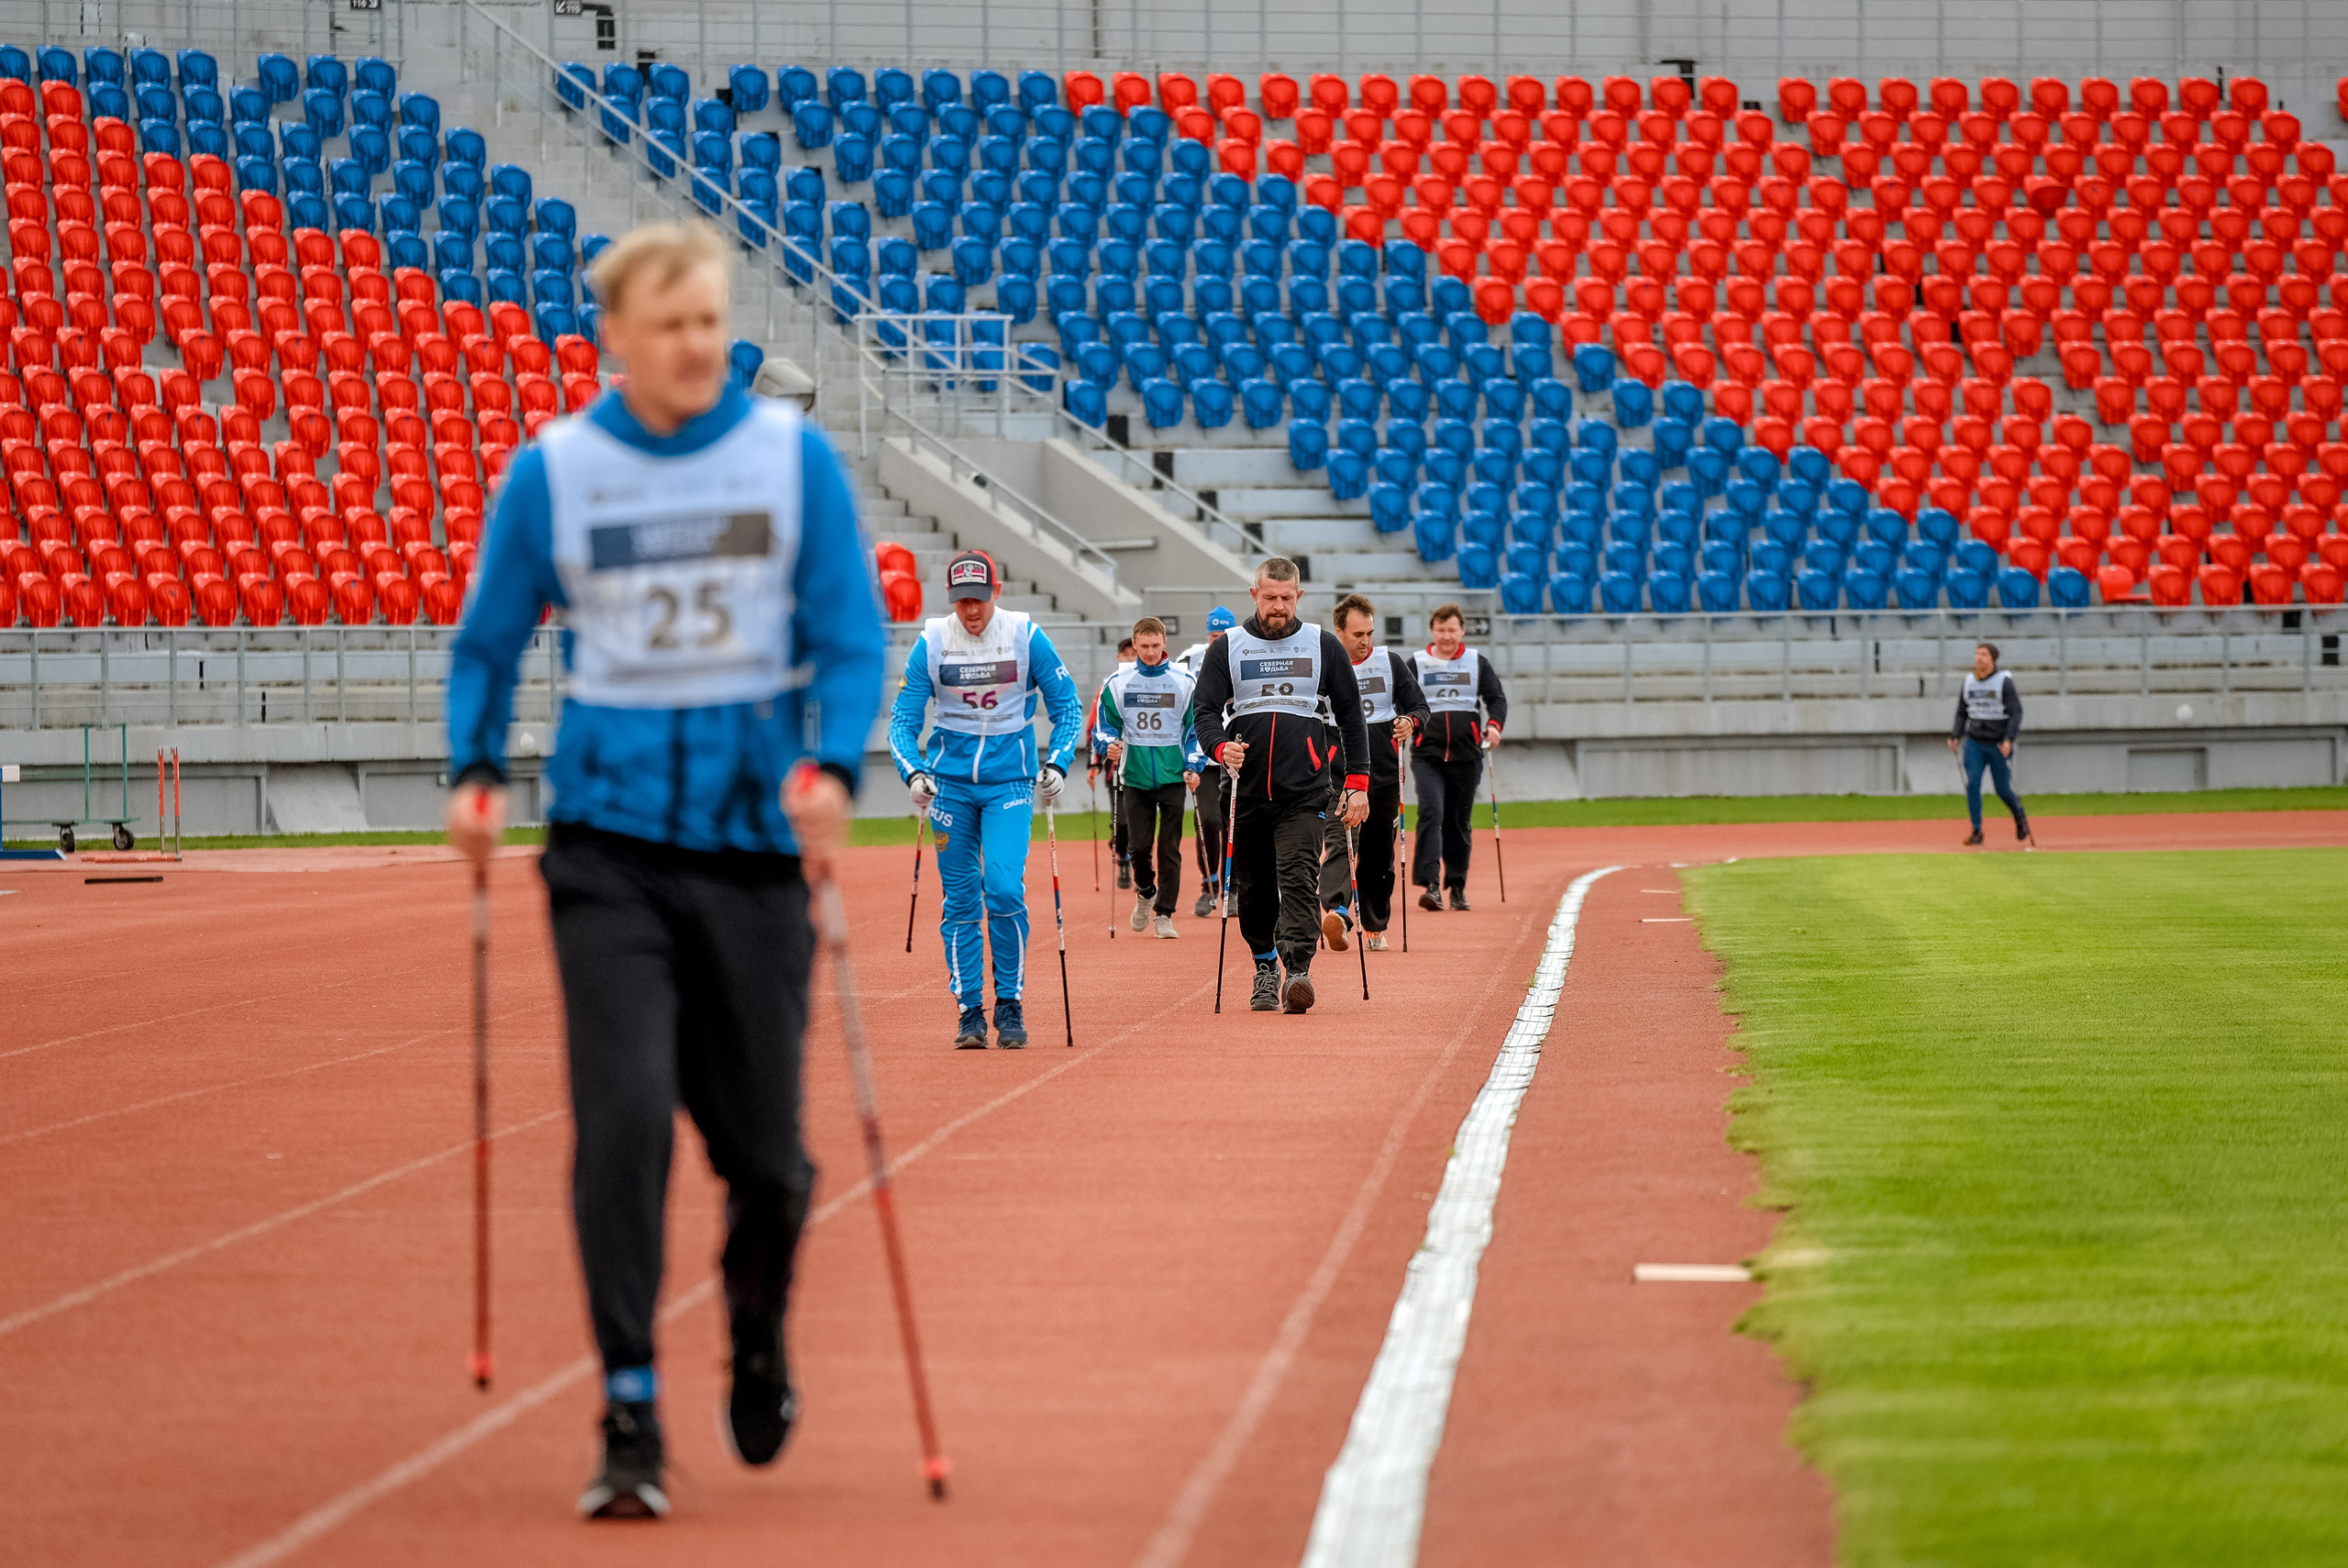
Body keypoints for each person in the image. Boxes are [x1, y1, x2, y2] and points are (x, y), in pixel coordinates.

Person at [442, 222, 886, 1520]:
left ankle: (755, 1331)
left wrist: (832, 770)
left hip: (751, 853)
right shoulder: (558, 472)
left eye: (710, 321)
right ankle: (628, 1405)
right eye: (671, 324)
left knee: (771, 1162)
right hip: (608, 854)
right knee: (624, 1120)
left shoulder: (789, 461)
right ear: (615, 339)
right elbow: (488, 636)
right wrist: (474, 769)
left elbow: (848, 635)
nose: (697, 344)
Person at [888, 549, 1084, 1048]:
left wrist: (1059, 762)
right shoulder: (933, 640)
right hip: (949, 785)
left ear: (995, 593)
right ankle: (969, 1009)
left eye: (978, 599)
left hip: (1010, 782)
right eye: (960, 601)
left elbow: (1067, 706)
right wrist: (913, 772)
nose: (970, 611)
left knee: (1001, 887)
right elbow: (903, 720)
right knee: (959, 900)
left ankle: (1010, 1002)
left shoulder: (1024, 634)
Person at [1192, 561, 1368, 1012]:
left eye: (1286, 598)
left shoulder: (1323, 645)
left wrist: (1358, 783)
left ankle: (1298, 971)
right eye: (1270, 597)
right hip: (1244, 791)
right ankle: (1265, 965)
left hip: (1304, 791)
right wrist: (1218, 748)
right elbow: (1206, 713)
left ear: (1299, 596)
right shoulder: (1228, 647)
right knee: (1253, 890)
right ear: (1254, 595)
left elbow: (1351, 717)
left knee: (1297, 879)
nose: (1278, 607)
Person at [1319, 593, 1428, 951]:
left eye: (1369, 633)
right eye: (1357, 634)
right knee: (1341, 841)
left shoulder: (1390, 662)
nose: (1365, 641)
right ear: (1339, 632)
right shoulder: (1324, 665)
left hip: (1382, 771)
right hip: (1339, 772)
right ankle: (1336, 912)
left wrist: (1410, 722)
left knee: (1379, 851)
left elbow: (1419, 706)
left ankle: (1374, 924)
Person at [1097, 616, 1204, 937]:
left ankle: (1164, 914)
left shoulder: (1184, 681)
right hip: (1135, 777)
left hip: (1173, 776)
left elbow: (1195, 728)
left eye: (1156, 645)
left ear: (1164, 644)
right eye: (1143, 646)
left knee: (1169, 848)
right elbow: (1105, 726)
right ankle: (1146, 891)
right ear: (1134, 645)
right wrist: (1109, 745)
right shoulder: (1118, 681)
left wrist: (1193, 763)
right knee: (1139, 847)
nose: (1150, 652)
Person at [1409, 602, 1509, 911]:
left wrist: (1494, 726)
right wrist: (1405, 723)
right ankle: (1430, 886)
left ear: (1462, 631)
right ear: (1432, 631)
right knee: (1431, 813)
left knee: (1458, 821)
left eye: (1452, 629)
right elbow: (1402, 699)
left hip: (1467, 757)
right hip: (1428, 755)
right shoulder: (1417, 663)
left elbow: (1496, 699)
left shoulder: (1476, 662)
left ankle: (1458, 885)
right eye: (1441, 630)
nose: (1447, 636)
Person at [1175, 604, 1235, 916]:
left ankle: (1235, 885)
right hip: (1204, 753)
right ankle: (1209, 884)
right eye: (1214, 635)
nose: (1218, 641)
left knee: (1236, 821)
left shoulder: (1244, 651)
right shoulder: (1189, 659)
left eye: (1224, 635)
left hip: (1237, 750)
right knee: (1210, 819)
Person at [1949, 641, 2032, 846]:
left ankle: (2019, 816)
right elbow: (1962, 711)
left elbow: (2016, 712)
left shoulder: (2004, 682)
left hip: (1997, 743)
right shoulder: (1968, 681)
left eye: (1984, 655)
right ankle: (1977, 830)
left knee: (2003, 789)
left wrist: (2009, 739)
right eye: (1977, 654)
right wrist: (1955, 735)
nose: (1979, 658)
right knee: (1973, 784)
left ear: (1993, 659)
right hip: (1975, 742)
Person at [1085, 636, 1136, 889]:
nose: (1130, 659)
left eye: (1134, 654)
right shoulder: (1108, 686)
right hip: (1114, 765)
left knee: (1140, 819)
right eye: (1125, 654)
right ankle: (1123, 858)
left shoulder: (1150, 683)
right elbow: (1095, 727)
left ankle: (1141, 866)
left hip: (1143, 764)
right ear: (1118, 657)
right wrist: (1094, 764)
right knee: (1122, 820)